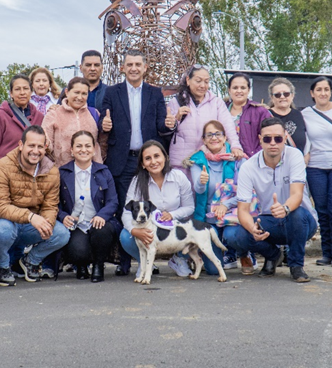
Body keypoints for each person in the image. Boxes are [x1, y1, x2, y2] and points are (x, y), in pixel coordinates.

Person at [99, 49, 173, 275]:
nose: (133, 68)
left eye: (137, 64)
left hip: (147, 161)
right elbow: (104, 119)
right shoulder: (112, 92)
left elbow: (161, 126)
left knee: (147, 208)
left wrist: (169, 124)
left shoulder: (155, 93)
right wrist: (104, 124)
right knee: (126, 209)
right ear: (123, 67)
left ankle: (147, 259)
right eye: (129, 64)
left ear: (145, 67)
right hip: (121, 160)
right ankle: (124, 261)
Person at [226, 117, 318, 283]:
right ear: (260, 139)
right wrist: (252, 228)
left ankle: (296, 265)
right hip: (270, 220)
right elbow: (243, 210)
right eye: (267, 139)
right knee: (238, 235)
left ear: (285, 137)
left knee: (296, 214)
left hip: (300, 220)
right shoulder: (249, 166)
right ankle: (273, 256)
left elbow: (297, 195)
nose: (273, 143)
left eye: (278, 138)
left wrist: (285, 209)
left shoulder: (295, 156)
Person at [0, 125, 69, 285]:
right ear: (21, 145)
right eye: (31, 145)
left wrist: (47, 223)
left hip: (30, 226)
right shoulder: (3, 166)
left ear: (45, 148)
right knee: (3, 230)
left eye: (40, 146)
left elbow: (50, 206)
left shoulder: (51, 171)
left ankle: (29, 261)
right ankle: (1, 266)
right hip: (6, 222)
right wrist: (31, 217)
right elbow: (0, 206)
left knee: (61, 233)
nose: (35, 151)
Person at [118, 141, 195, 278]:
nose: (153, 162)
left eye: (157, 156)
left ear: (165, 158)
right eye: (148, 158)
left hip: (174, 227)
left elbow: (189, 207)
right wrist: (134, 230)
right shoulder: (137, 181)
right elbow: (126, 212)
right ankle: (146, 263)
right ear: (142, 163)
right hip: (149, 228)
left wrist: (172, 215)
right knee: (125, 236)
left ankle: (177, 258)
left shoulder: (178, 176)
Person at [185, 121, 246, 275]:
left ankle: (244, 253)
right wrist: (201, 181)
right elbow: (199, 190)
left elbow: (245, 190)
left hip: (233, 214)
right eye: (209, 135)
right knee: (213, 270)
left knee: (232, 236)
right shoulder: (197, 160)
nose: (214, 138)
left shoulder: (237, 159)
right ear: (204, 140)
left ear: (225, 137)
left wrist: (226, 204)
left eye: (218, 134)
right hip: (209, 218)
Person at [57, 130, 119, 282]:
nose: (83, 150)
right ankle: (81, 264)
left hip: (98, 222)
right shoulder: (62, 173)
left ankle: (98, 265)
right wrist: (63, 217)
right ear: (71, 150)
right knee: (78, 251)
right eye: (78, 146)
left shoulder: (103, 172)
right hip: (76, 224)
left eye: (87, 146)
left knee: (102, 231)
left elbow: (113, 201)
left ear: (94, 149)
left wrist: (101, 215)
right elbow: (54, 203)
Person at [302, 76, 332, 268]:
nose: (323, 93)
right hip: (315, 167)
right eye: (318, 90)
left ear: (331, 91)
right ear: (312, 93)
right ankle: (327, 253)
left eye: (326, 89)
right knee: (322, 210)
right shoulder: (306, 113)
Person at [166, 65, 244, 171]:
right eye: (198, 81)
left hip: (207, 162)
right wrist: (175, 120)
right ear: (188, 80)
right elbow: (167, 129)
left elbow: (228, 126)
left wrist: (235, 146)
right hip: (181, 162)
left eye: (206, 82)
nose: (203, 85)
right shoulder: (175, 102)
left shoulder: (216, 103)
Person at [0, 74, 44, 185]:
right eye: (17, 89)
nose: (22, 92)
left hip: (31, 177)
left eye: (25, 88)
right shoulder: (0, 116)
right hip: (5, 177)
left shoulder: (40, 117)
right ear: (11, 93)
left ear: (31, 91)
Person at [42, 77, 102, 168]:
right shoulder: (53, 114)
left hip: (91, 172)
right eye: (76, 92)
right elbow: (46, 146)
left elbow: (102, 143)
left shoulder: (94, 114)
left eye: (84, 94)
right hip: (62, 172)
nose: (79, 97)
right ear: (67, 92)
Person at [226, 72, 272, 158]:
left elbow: (269, 137)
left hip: (251, 161)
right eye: (235, 88)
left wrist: (254, 157)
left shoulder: (260, 111)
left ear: (248, 90)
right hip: (225, 162)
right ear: (229, 90)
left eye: (243, 88)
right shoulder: (221, 110)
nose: (239, 91)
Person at [267, 77, 308, 155]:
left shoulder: (299, 114)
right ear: (272, 97)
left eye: (286, 94)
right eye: (277, 95)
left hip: (296, 163)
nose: (282, 97)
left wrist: (306, 156)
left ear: (292, 95)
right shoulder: (265, 115)